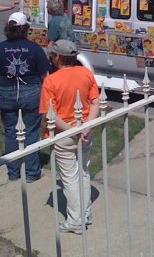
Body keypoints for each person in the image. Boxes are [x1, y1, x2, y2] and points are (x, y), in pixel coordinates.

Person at [39, 40, 100, 234]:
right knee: (82, 172)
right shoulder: (86, 74)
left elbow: (50, 114)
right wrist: (85, 127)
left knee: (70, 178)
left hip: (64, 134)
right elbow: (95, 103)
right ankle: (86, 213)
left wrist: (71, 131)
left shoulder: (51, 80)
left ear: (57, 57)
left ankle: (75, 220)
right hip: (85, 132)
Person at [0, 12, 50, 182]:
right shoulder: (34, 48)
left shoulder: (0, 48)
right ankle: (32, 173)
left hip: (7, 92)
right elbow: (44, 76)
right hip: (31, 92)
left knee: (10, 132)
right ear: (26, 29)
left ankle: (13, 172)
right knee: (31, 132)